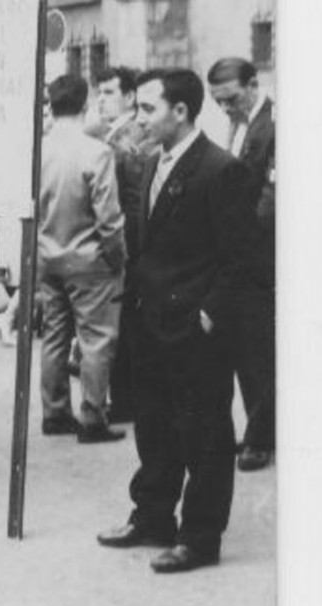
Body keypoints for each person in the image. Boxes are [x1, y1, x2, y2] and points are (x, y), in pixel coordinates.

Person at [97, 68, 258, 573]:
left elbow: (240, 259)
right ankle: (152, 516)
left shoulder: (219, 169)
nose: (138, 118)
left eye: (147, 109)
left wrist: (209, 315)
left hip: (194, 328)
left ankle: (200, 536)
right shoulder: (151, 163)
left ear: (181, 111)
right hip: (150, 321)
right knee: (154, 425)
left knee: (205, 433)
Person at [36, 74, 127, 443]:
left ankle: (55, 412)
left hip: (48, 257)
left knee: (55, 337)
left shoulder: (36, 150)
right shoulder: (97, 152)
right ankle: (93, 416)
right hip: (89, 261)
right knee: (96, 340)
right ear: (85, 104)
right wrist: (117, 258)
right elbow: (109, 216)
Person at [207, 57, 276, 472]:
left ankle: (260, 438)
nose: (225, 108)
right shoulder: (236, 122)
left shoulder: (275, 124)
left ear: (253, 84)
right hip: (235, 253)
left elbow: (271, 197)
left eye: (231, 98)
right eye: (218, 102)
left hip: (258, 252)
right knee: (241, 347)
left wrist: (238, 238)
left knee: (258, 350)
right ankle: (258, 425)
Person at [87, 66, 154, 424]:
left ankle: (125, 400)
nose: (101, 98)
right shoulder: (110, 134)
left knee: (126, 326)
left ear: (130, 98)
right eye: (99, 91)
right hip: (119, 246)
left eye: (109, 91)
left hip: (126, 246)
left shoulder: (132, 137)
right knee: (122, 325)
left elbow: (131, 201)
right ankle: (123, 398)